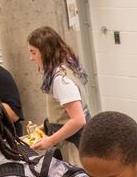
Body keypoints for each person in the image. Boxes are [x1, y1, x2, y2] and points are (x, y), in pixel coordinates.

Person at [27, 26, 90, 166]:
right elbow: (63, 114)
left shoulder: (61, 80)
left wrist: (50, 141)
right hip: (75, 139)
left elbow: (78, 120)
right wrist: (45, 127)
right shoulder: (66, 66)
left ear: (45, 52)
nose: (31, 58)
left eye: (33, 52)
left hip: (72, 143)